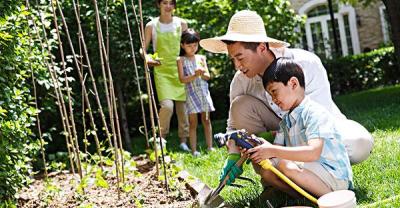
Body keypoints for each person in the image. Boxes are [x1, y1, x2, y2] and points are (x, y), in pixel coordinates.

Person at [199, 10, 373, 183]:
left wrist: (282, 150)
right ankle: (276, 179)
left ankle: (312, 175)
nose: (237, 66)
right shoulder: (240, 82)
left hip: (318, 130)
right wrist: (233, 155)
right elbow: (234, 128)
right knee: (240, 105)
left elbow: (321, 118)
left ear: (261, 47)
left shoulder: (305, 63)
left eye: (240, 57)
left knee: (359, 143)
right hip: (279, 135)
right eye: (232, 59)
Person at [244, 57, 353, 198]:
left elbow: (313, 152)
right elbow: (275, 154)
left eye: (274, 91)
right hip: (311, 173)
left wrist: (272, 150)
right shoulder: (285, 122)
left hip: (334, 176)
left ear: (293, 83)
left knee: (285, 166)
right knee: (267, 173)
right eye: (270, 95)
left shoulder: (314, 113)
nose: (273, 99)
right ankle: (304, 198)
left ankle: (333, 200)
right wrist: (259, 147)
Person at [143, 0, 190, 151]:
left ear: (174, 6)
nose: (168, 6)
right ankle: (161, 139)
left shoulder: (181, 24)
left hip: (180, 68)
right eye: (165, 3)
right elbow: (142, 49)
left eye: (171, 3)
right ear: (158, 5)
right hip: (162, 70)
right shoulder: (151, 25)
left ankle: (183, 141)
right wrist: (148, 58)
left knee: (182, 109)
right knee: (167, 106)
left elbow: (187, 46)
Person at [177, 29, 215, 156]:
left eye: (195, 45)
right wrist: (194, 75)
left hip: (203, 92)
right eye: (189, 45)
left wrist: (202, 73)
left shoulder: (201, 58)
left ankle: (210, 147)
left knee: (206, 119)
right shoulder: (180, 60)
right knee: (192, 123)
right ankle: (194, 150)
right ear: (182, 45)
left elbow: (208, 76)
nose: (193, 48)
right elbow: (182, 79)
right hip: (191, 93)